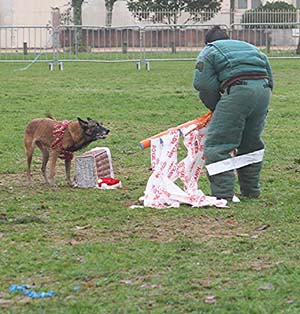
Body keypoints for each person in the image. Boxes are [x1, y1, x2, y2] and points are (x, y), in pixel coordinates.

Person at [193, 25, 273, 201]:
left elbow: (203, 85)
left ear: (207, 42)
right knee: (250, 143)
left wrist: (216, 106)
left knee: (218, 145)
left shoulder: (209, 51)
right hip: (264, 91)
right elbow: (269, 73)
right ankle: (251, 191)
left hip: (238, 90)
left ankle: (223, 195)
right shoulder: (250, 47)